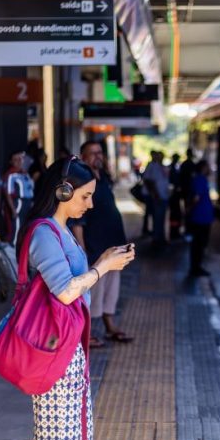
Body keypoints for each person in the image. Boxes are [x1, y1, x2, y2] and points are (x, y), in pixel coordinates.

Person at [17, 156, 135, 440]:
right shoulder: (44, 233)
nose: (90, 204)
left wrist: (101, 260)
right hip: (54, 349)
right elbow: (66, 292)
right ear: (63, 192)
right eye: (86, 196)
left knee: (72, 438)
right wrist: (103, 267)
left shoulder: (61, 230)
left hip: (67, 346)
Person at [72, 142, 133, 346]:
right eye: (93, 153)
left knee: (111, 289)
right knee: (92, 292)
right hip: (94, 246)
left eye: (100, 153)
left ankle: (109, 325)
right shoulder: (82, 180)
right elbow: (78, 221)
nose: (98, 156)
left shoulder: (103, 178)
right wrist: (82, 250)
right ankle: (85, 334)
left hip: (112, 242)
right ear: (83, 156)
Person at [2, 150, 35, 246]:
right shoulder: (11, 175)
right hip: (18, 203)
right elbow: (7, 193)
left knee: (26, 225)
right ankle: (13, 246)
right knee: (17, 226)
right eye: (15, 159)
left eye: (20, 159)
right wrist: (13, 210)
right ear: (11, 162)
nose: (18, 161)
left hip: (28, 203)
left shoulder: (25, 174)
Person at [188, 160, 215, 277]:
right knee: (199, 244)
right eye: (208, 166)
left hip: (202, 217)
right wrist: (189, 210)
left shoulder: (200, 179)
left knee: (199, 244)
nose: (209, 169)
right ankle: (195, 268)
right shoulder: (200, 179)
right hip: (201, 218)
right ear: (203, 167)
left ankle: (196, 267)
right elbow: (196, 198)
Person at [143, 150, 170, 246]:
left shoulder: (162, 167)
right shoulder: (153, 166)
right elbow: (150, 182)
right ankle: (157, 239)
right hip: (158, 197)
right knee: (157, 218)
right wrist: (156, 195)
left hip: (163, 196)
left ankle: (160, 238)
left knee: (161, 218)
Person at [178, 148, 196, 238]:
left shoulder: (184, 164)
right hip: (189, 191)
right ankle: (189, 230)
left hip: (186, 191)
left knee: (187, 210)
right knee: (190, 210)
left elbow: (180, 178)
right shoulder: (192, 165)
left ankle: (187, 229)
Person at [168, 153, 183, 239]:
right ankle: (174, 232)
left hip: (175, 194)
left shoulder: (174, 168)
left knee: (176, 214)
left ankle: (175, 231)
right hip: (174, 195)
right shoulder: (172, 168)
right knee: (175, 214)